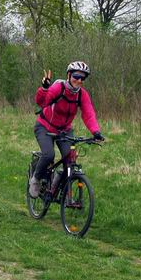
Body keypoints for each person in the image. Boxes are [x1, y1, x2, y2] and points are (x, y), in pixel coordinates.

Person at [28, 61, 104, 198]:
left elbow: (88, 113)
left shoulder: (82, 95)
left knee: (69, 160)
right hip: (45, 127)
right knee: (49, 155)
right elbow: (42, 102)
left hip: (64, 131)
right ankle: (35, 179)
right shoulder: (58, 87)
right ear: (69, 75)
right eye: (76, 76)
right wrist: (44, 88)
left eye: (83, 78)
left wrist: (95, 132)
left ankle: (55, 185)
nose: (79, 80)